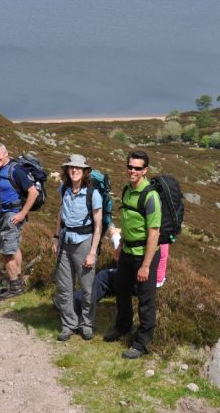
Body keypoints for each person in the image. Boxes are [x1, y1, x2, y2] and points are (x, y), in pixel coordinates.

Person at [105, 150, 161, 359]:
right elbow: (129, 222)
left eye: (137, 168)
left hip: (144, 255)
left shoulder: (151, 196)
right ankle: (123, 327)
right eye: (130, 166)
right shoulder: (127, 189)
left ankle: (142, 343)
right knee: (121, 289)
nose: (132, 171)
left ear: (145, 170)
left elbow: (154, 233)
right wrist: (120, 245)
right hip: (127, 250)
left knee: (146, 300)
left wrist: (146, 265)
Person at [53, 154, 103, 341]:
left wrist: (92, 252)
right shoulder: (64, 189)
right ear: (67, 170)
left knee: (87, 288)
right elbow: (60, 214)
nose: (74, 170)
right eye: (71, 167)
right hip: (65, 241)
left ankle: (87, 324)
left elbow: (98, 226)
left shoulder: (93, 194)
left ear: (84, 172)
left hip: (84, 243)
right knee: (64, 287)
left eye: (78, 168)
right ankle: (69, 324)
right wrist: (56, 238)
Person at [0, 143, 38, 299]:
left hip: (12, 216)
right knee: (13, 248)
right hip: (3, 215)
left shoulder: (16, 170)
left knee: (7, 251)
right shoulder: (1, 169)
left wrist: (22, 214)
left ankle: (15, 287)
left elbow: (33, 192)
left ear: (6, 154)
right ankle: (17, 282)